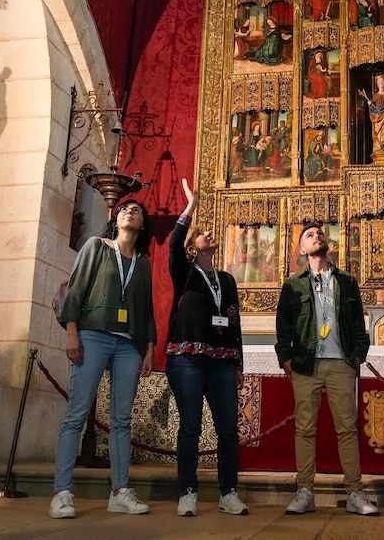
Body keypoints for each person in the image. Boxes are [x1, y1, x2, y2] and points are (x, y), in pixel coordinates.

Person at [51, 200, 157, 519]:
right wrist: (72, 333)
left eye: (137, 210)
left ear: (142, 224)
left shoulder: (144, 263)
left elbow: (147, 311)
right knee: (77, 414)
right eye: (124, 208)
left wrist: (149, 349)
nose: (129, 211)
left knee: (121, 419)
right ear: (116, 219)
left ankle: (120, 491)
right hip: (92, 336)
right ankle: (62, 493)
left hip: (129, 344)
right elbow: (76, 291)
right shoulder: (96, 246)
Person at [275, 222, 378, 517]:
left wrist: (358, 355)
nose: (317, 235)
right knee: (305, 428)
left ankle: (355, 493)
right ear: (303, 249)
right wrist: (286, 358)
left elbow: (359, 324)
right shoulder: (293, 284)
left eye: (320, 233)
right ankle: (305, 491)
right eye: (310, 235)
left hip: (340, 362)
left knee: (347, 428)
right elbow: (283, 327)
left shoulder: (346, 281)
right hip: (306, 363)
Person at [166, 179, 248, 517]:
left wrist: (238, 363)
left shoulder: (226, 280)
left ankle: (228, 491)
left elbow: (234, 321)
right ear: (192, 247)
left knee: (228, 429)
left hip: (222, 362)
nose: (210, 235)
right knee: (190, 427)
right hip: (187, 359)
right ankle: (187, 491)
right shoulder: (183, 271)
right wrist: (191, 206)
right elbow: (172, 243)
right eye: (203, 234)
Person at [359, 75, 384, 153]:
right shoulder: (375, 96)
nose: (381, 83)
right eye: (379, 82)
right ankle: (379, 146)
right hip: (377, 118)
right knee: (377, 132)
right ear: (377, 84)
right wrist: (370, 105)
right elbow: (372, 109)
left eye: (382, 81)